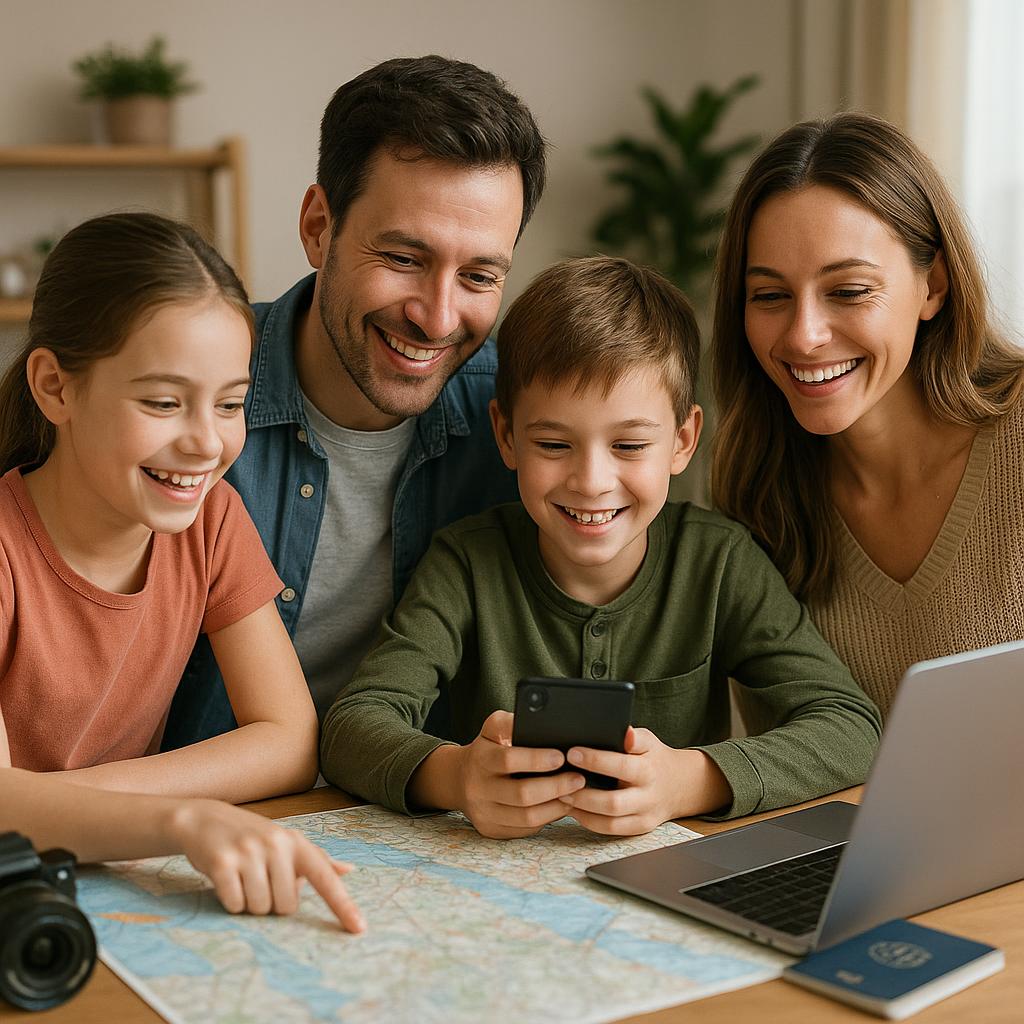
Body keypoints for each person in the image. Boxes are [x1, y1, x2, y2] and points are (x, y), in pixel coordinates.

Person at [320, 256, 881, 839]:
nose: (591, 481)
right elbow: (353, 726)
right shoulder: (466, 563)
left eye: (630, 445)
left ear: (683, 441)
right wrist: (457, 776)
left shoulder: (720, 562)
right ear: (507, 436)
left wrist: (690, 780)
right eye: (554, 444)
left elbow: (849, 727)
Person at [163, 55, 547, 747]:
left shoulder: (527, 424)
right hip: (193, 820)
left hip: (415, 823)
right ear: (318, 226)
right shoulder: (179, 407)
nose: (437, 318)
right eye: (403, 258)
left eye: (479, 275)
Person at [0, 212, 362, 930]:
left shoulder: (213, 521)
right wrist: (177, 821)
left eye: (230, 404)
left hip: (83, 883)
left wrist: (89, 804)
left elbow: (289, 738)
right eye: (163, 402)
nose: (205, 442)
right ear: (55, 387)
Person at [710, 111, 1024, 719]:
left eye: (849, 291)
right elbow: (787, 760)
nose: (803, 337)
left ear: (933, 285)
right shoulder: (758, 495)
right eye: (770, 296)